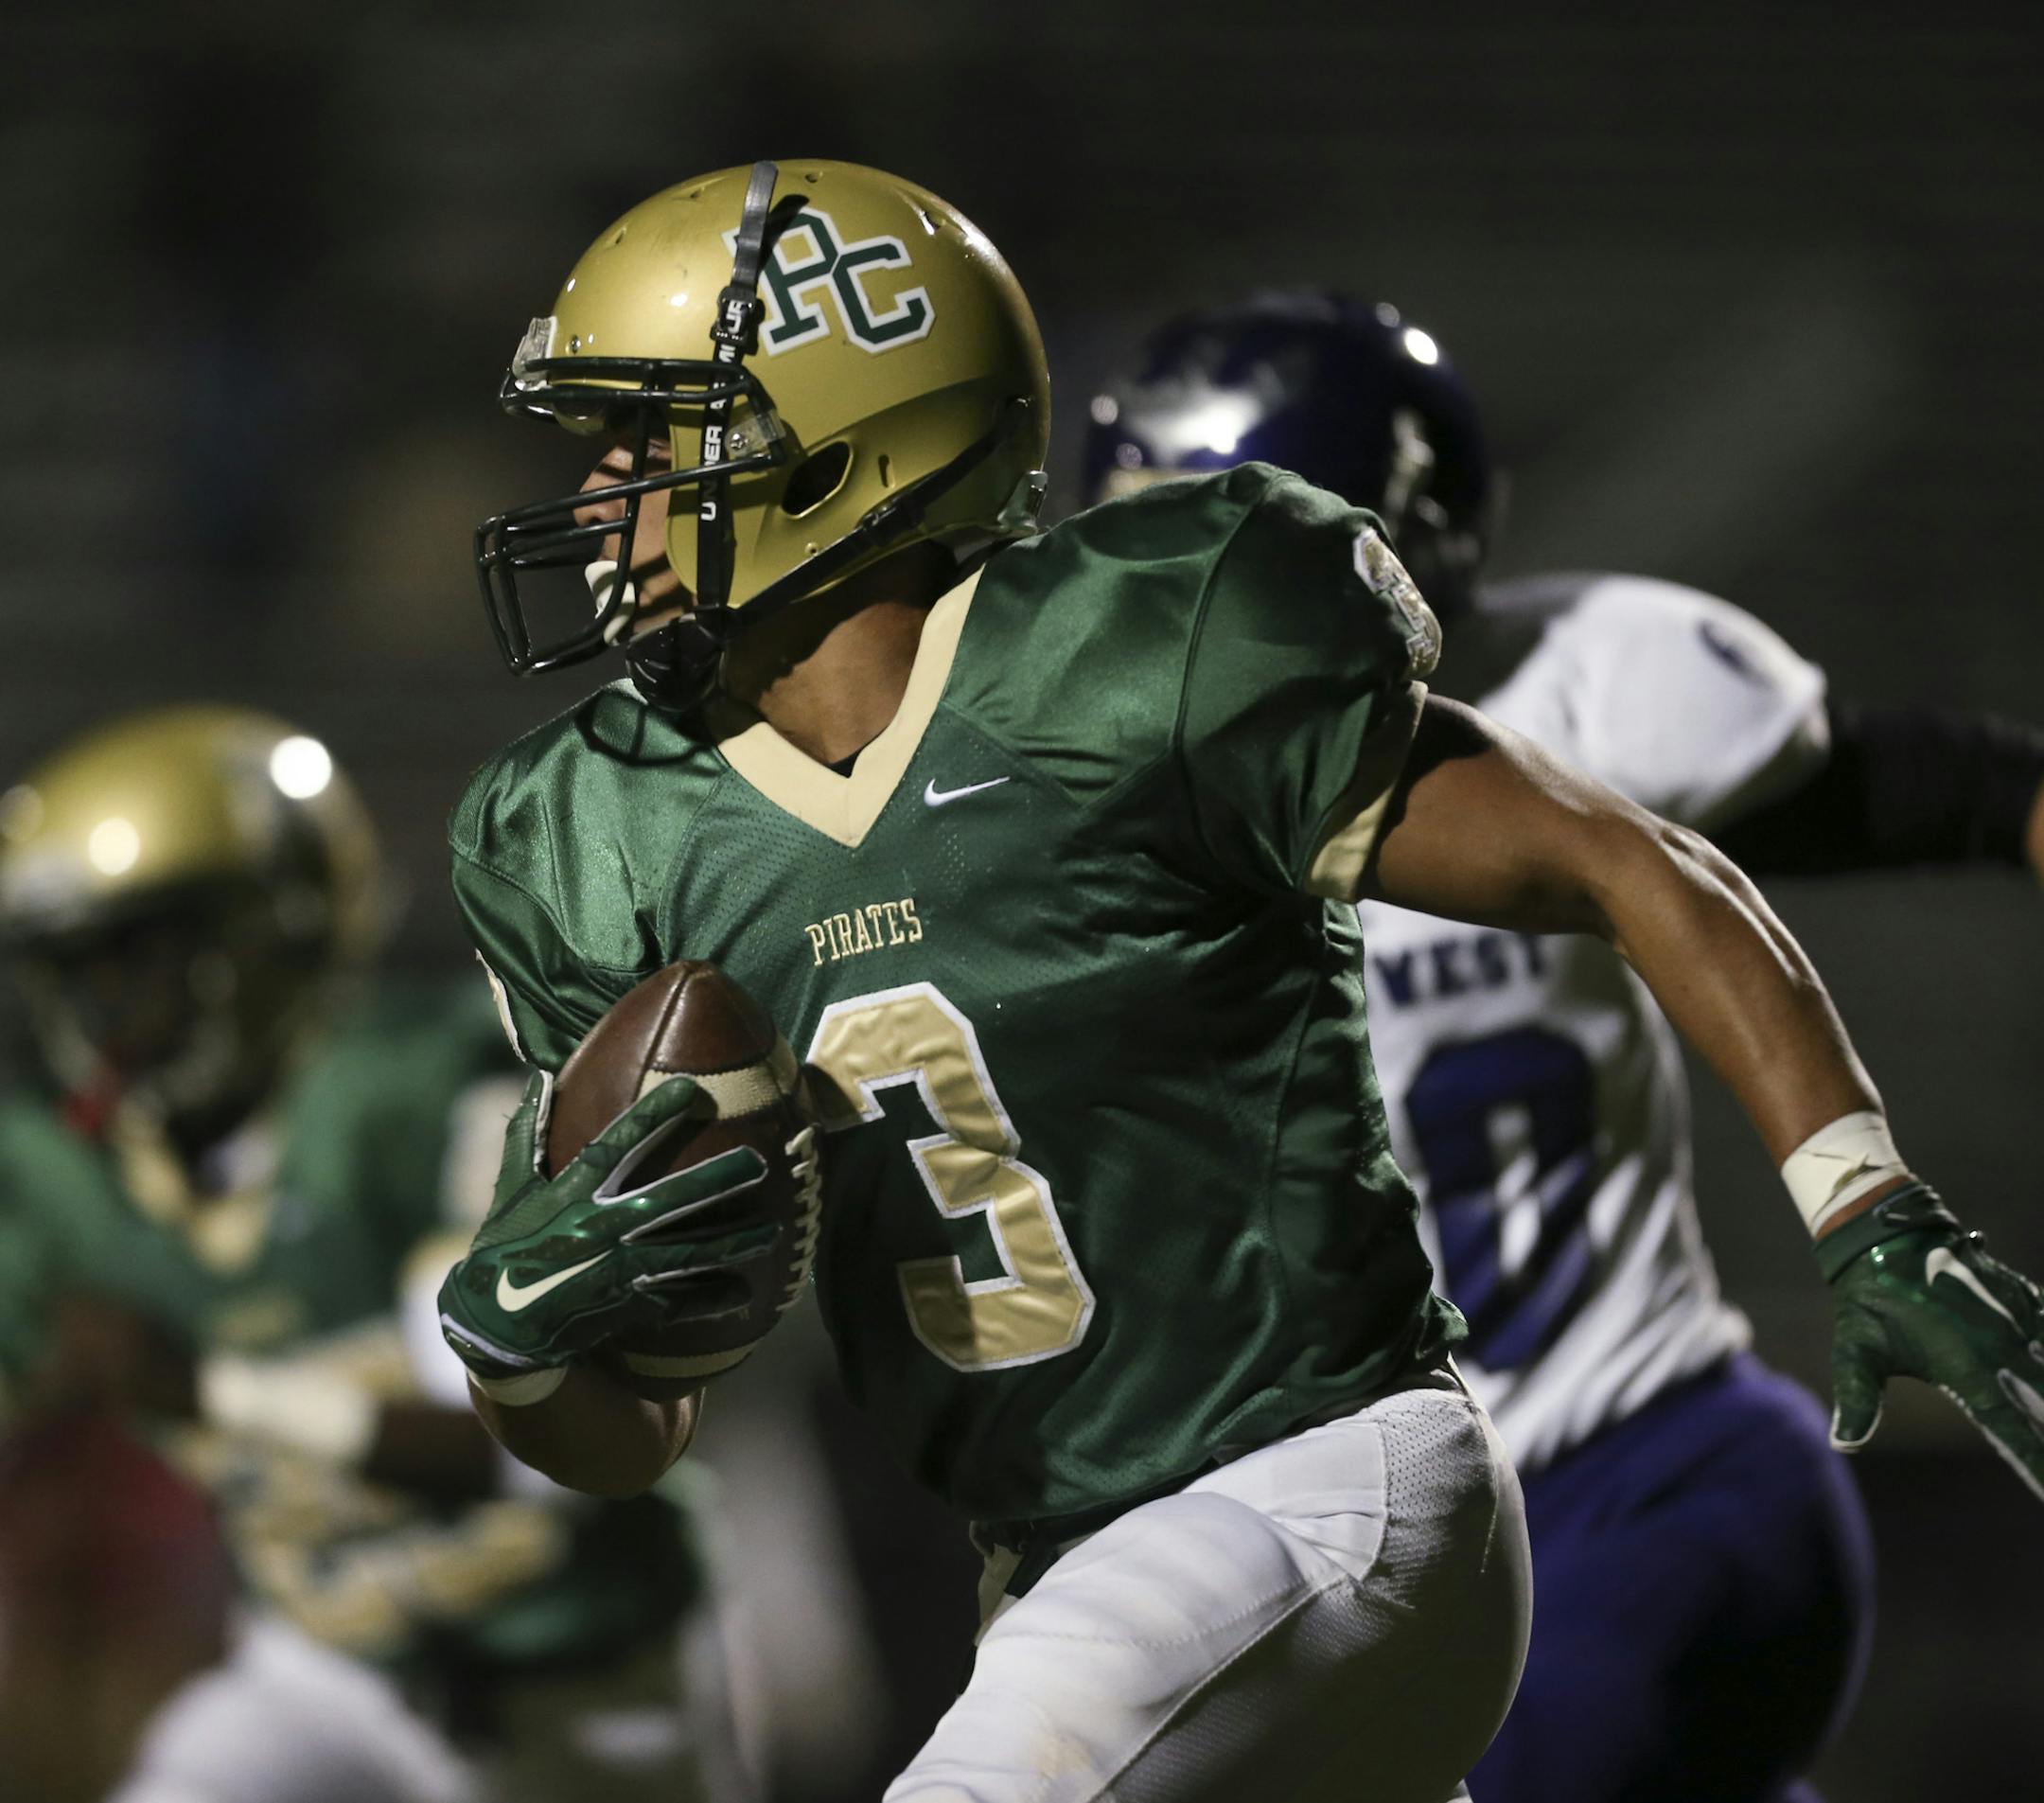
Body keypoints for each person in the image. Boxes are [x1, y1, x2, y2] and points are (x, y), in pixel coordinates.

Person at [433, 160, 2044, 1803]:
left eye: (655, 436)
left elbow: (1619, 858)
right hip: (1062, 1570)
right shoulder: (592, 835)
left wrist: (1864, 1199)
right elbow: (632, 1435)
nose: (605, 492)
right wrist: (526, 1350)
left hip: (1324, 1481)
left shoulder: (1133, 652)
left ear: (837, 446)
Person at [1084, 290, 2044, 1800]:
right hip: (1372, 1554)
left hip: (1641, 1471)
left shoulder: (1556, 720)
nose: (1153, 618)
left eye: (1201, 558)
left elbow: (1960, 792)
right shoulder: (1062, 816)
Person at [0, 705, 743, 1803]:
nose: (107, 1015)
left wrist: (207, 1389)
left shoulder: (416, 1091)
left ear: (275, 928)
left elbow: (518, 1445)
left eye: (142, 957)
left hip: (581, 1675)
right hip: (329, 1677)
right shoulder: (70, 1182)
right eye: (75, 970)